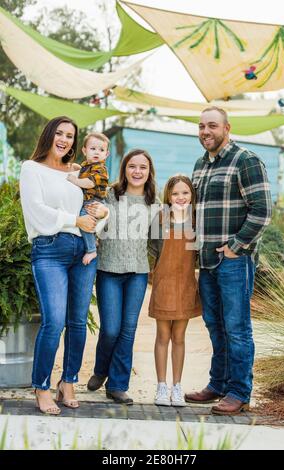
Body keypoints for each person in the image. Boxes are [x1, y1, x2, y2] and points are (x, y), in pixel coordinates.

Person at [185, 107, 272, 415]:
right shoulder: (200, 164)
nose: (205, 131)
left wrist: (235, 246)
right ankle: (218, 384)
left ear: (227, 128)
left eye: (211, 126)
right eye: (201, 127)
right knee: (214, 325)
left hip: (234, 261)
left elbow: (262, 211)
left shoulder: (246, 160)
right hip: (207, 261)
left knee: (237, 328)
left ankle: (239, 392)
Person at [19, 116, 106, 415]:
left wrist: (101, 212)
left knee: (78, 322)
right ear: (48, 135)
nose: (65, 140)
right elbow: (36, 213)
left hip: (82, 250)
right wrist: (75, 220)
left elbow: (92, 207)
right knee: (54, 321)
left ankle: (67, 382)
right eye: (60, 133)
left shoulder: (78, 171)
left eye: (70, 135)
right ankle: (41, 386)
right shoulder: (31, 169)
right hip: (49, 250)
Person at [86, 149, 159, 405]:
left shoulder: (155, 204)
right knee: (110, 329)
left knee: (128, 331)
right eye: (132, 166)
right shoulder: (109, 195)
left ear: (149, 172)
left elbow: (157, 243)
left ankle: (117, 385)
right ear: (124, 169)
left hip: (137, 273)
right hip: (108, 270)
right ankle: (100, 369)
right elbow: (91, 220)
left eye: (143, 167)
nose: (137, 171)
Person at [148, 175, 201, 407]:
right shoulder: (160, 220)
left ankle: (177, 387)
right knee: (162, 336)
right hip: (164, 284)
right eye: (176, 193)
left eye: (185, 193)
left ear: (192, 195)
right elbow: (152, 251)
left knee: (179, 338)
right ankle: (161, 386)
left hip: (186, 285)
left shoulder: (196, 221)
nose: (181, 197)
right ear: (168, 196)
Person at [67, 132, 109, 265]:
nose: (97, 152)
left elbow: (90, 182)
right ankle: (92, 239)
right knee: (83, 220)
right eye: (93, 149)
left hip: (94, 201)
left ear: (106, 154)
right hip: (89, 200)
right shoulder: (87, 165)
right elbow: (83, 169)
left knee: (84, 218)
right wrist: (75, 167)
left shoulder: (100, 169)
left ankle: (91, 250)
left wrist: (75, 180)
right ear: (84, 150)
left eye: (101, 150)